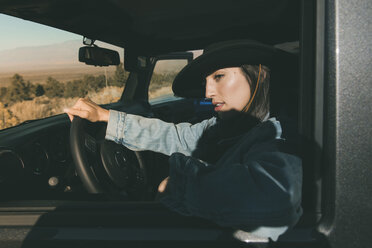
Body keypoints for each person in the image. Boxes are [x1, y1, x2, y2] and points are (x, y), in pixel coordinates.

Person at [64, 40, 302, 241]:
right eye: (206, 81)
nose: (208, 93)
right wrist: (106, 117)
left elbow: (274, 199)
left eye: (219, 76)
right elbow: (177, 136)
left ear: (258, 75)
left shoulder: (277, 134)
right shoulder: (225, 127)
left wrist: (178, 184)